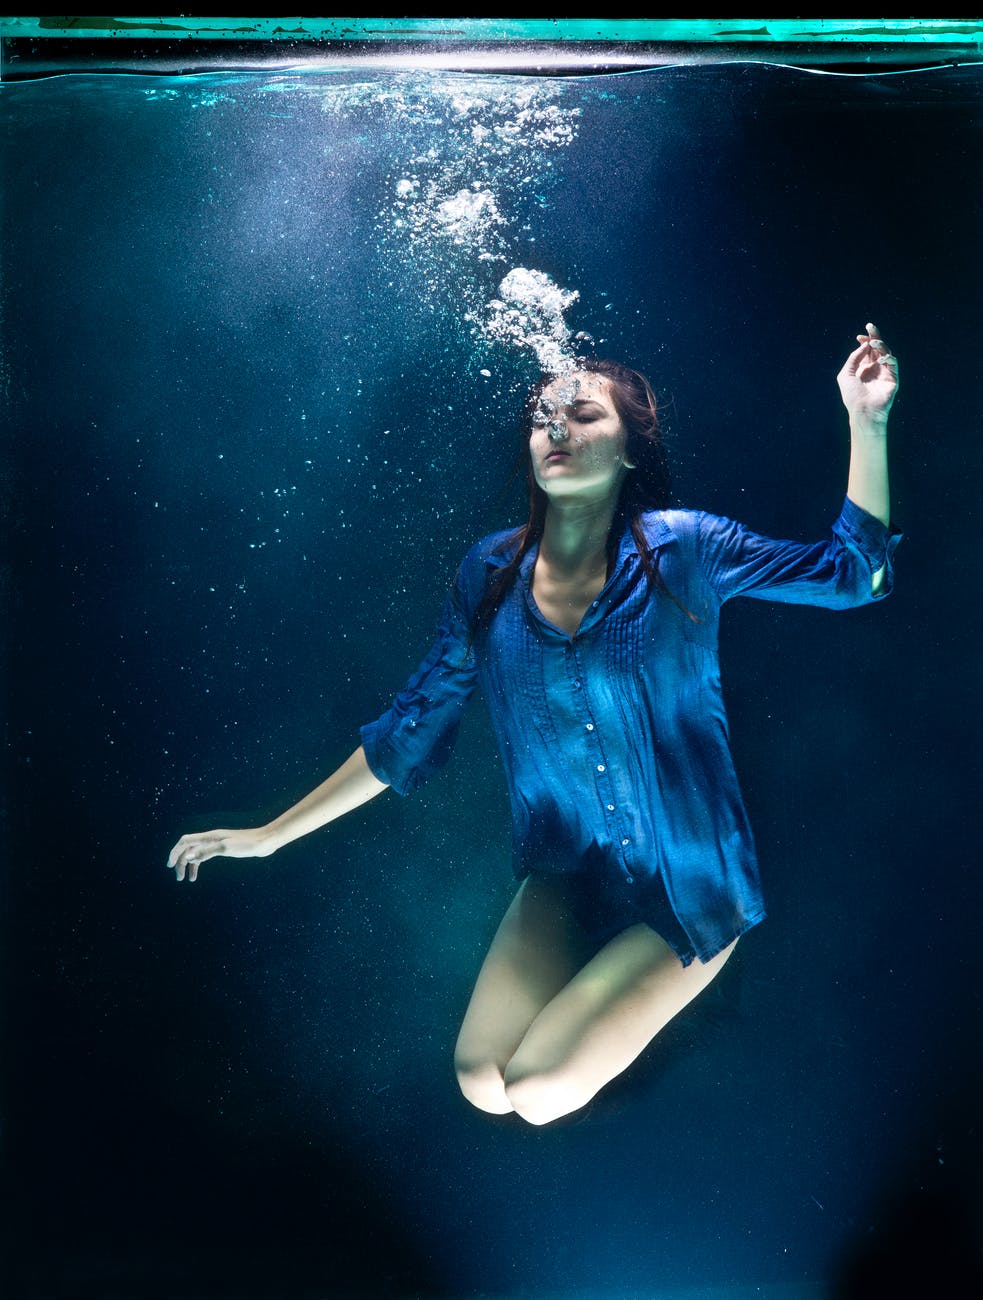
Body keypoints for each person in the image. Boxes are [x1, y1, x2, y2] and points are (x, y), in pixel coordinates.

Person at [168, 324, 900, 1127]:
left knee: (539, 1088)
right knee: (482, 1081)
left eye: (584, 416)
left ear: (628, 450)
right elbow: (409, 731)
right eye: (544, 418)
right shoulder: (487, 573)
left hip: (690, 881)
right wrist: (271, 835)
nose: (558, 429)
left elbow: (852, 576)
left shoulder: (687, 548)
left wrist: (864, 421)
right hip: (565, 874)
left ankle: (665, 1016)